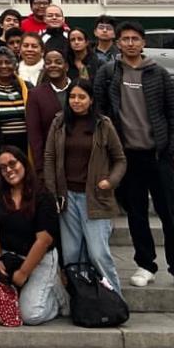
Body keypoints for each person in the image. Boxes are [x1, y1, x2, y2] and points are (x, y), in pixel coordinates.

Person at [94, 20, 174, 292]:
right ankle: (145, 264)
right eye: (125, 39)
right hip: (127, 157)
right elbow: (100, 111)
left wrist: (171, 149)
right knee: (136, 213)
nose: (130, 43)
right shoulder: (109, 72)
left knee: (169, 212)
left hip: (158, 155)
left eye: (135, 39)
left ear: (143, 42)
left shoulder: (158, 73)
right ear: (118, 43)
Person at [43, 81, 126, 295]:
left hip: (95, 198)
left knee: (98, 253)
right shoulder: (59, 123)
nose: (76, 101)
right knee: (71, 254)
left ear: (91, 100)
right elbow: (49, 157)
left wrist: (110, 181)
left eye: (82, 97)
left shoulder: (103, 124)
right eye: (72, 97)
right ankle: (81, 299)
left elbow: (120, 159)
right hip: (67, 198)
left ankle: (115, 299)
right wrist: (52, 191)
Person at [0, 146, 65, 324]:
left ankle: (58, 299)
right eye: (3, 167)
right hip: (8, 256)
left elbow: (44, 241)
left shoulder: (43, 196)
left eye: (12, 164)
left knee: (30, 315)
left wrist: (23, 273)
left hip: (39, 257)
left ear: (23, 163)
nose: (8, 170)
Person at [26, 47, 71, 175]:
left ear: (66, 66)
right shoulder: (35, 94)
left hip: (80, 158)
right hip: (51, 161)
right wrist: (40, 168)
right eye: (48, 62)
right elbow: (35, 135)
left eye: (58, 62)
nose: (53, 65)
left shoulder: (79, 89)